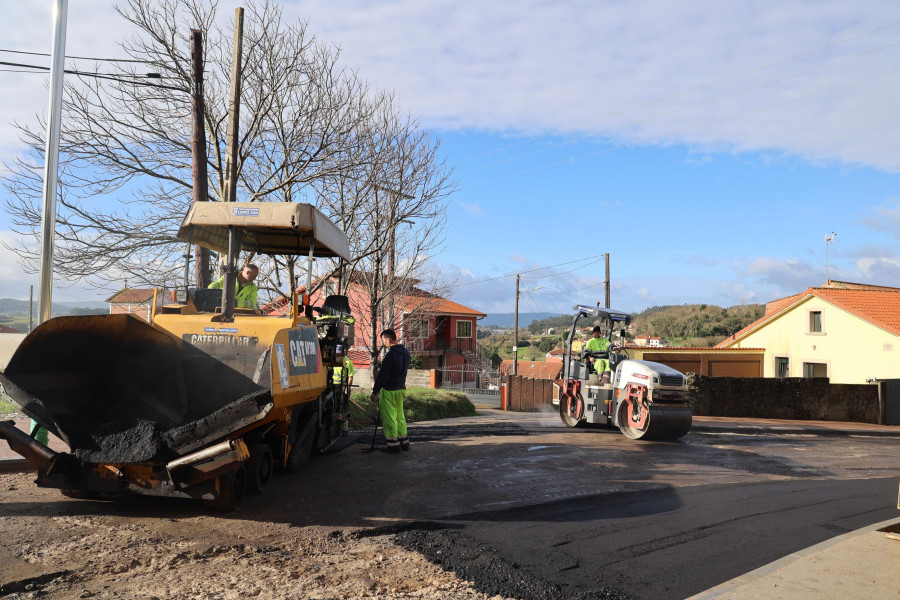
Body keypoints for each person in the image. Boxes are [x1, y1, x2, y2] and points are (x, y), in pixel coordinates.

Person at [370, 329, 411, 454]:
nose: (384, 343)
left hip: (389, 391)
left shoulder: (390, 355)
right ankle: (404, 442)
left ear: (389, 339)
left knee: (390, 418)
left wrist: (375, 391)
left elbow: (383, 375)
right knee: (400, 416)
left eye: (383, 341)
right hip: (401, 389)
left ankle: (393, 445)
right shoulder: (406, 352)